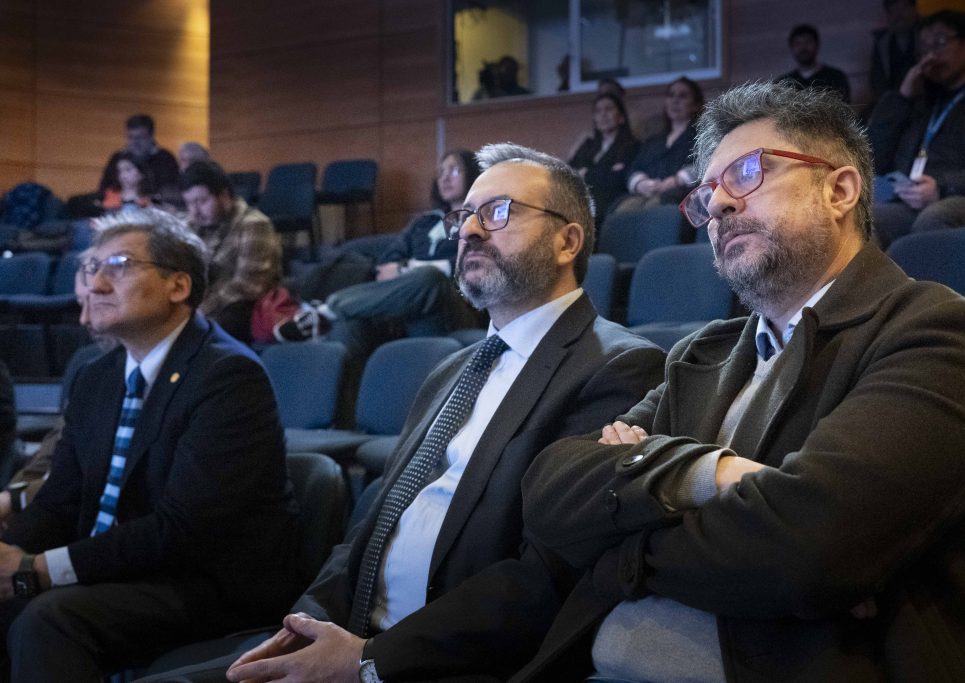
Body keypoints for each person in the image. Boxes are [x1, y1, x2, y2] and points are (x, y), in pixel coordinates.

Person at [512, 80, 965, 681]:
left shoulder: (935, 330)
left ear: (839, 190)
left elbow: (812, 548)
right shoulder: (701, 354)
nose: (718, 205)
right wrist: (710, 474)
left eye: (748, 172)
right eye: (707, 192)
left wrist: (616, 549)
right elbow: (548, 491)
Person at [141, 143, 666, 683]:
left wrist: (368, 661)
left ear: (567, 241)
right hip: (350, 640)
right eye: (464, 216)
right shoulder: (451, 370)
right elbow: (372, 524)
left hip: (443, 666)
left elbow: (546, 573)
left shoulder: (617, 366)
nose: (469, 231)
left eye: (497, 212)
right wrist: (305, 625)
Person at [0, 208, 302, 681]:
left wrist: (35, 569)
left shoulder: (228, 376)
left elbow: (183, 530)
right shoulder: (96, 377)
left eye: (118, 266)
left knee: (49, 619)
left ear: (178, 286)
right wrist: (8, 554)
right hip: (116, 567)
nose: (96, 285)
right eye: (90, 268)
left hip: (206, 583)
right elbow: (60, 501)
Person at [322, 150, 483, 424]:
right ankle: (346, 425)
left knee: (428, 278)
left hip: (454, 305)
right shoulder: (423, 223)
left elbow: (467, 266)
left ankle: (329, 307)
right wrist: (410, 269)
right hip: (407, 311)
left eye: (454, 170)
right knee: (351, 323)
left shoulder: (479, 220)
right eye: (441, 172)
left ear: (472, 173)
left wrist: (411, 268)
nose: (445, 177)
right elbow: (386, 265)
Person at [869, 9, 965, 247]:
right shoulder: (921, 100)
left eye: (940, 43)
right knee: (865, 222)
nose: (931, 56)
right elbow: (874, 156)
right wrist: (901, 98)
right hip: (912, 198)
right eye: (924, 49)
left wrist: (943, 185)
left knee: (934, 220)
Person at [0, 250, 119, 528]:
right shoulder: (92, 371)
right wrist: (13, 505)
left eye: (99, 304)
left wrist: (14, 504)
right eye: (81, 304)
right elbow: (49, 459)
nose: (85, 320)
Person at [181, 159, 283, 345]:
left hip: (242, 309)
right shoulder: (190, 225)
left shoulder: (254, 224)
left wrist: (198, 312)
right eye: (189, 203)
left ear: (225, 195)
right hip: (204, 307)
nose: (195, 212)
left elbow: (249, 286)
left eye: (202, 201)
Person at [614, 76, 703, 214]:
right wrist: (640, 183)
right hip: (644, 195)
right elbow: (635, 167)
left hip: (680, 195)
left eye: (682, 96)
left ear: (695, 105)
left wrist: (678, 180)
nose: (675, 100)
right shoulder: (653, 141)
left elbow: (706, 163)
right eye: (671, 95)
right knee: (619, 211)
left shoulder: (701, 136)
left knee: (654, 208)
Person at [568, 93, 638, 226]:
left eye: (609, 109)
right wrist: (605, 172)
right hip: (579, 198)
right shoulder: (588, 144)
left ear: (621, 117)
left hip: (608, 202)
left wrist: (587, 173)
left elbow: (617, 179)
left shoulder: (632, 146)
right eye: (598, 111)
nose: (603, 115)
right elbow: (569, 171)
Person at [98, 114, 181, 207]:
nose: (135, 142)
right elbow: (104, 188)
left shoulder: (165, 158)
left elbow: (173, 190)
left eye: (140, 137)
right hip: (120, 207)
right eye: (131, 137)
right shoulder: (117, 158)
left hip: (158, 208)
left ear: (151, 136)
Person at [776, 24, 851, 103]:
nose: (803, 48)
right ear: (792, 48)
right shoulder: (783, 83)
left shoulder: (836, 77)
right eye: (798, 43)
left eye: (808, 42)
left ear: (817, 44)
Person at [870, 0, 919, 101]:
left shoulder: (926, 37)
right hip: (894, 100)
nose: (899, 15)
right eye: (893, 10)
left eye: (903, 8)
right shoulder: (882, 43)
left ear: (914, 10)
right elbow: (877, 77)